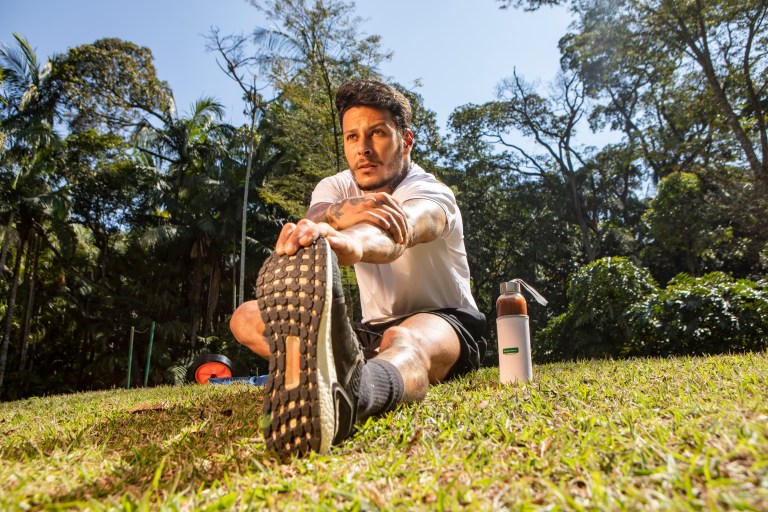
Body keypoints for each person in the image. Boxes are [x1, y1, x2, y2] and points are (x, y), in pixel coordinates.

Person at [230, 79, 486, 459]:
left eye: (377, 133)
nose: (363, 149)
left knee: (403, 338)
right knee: (246, 317)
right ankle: (329, 371)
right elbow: (318, 215)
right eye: (352, 136)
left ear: (406, 140)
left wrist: (353, 243)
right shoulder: (337, 185)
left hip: (444, 322)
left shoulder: (431, 193)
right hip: (370, 332)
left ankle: (357, 394)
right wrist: (333, 220)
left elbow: (401, 231)